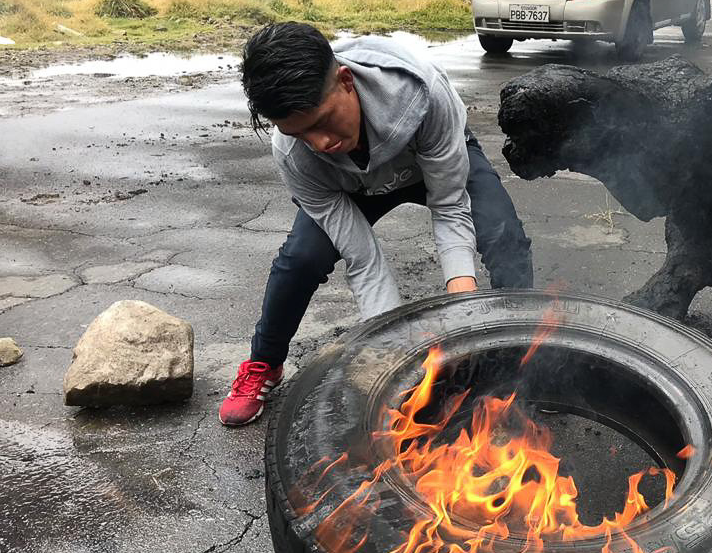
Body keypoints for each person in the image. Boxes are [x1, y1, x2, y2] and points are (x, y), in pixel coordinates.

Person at [220, 22, 534, 426]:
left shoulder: (422, 94)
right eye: (300, 133)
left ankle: (519, 351)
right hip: (348, 184)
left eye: (322, 121)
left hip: (427, 161)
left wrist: (461, 298)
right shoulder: (295, 155)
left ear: (346, 82)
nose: (320, 143)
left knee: (502, 232)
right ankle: (263, 363)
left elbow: (450, 203)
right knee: (301, 257)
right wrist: (392, 351)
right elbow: (363, 259)